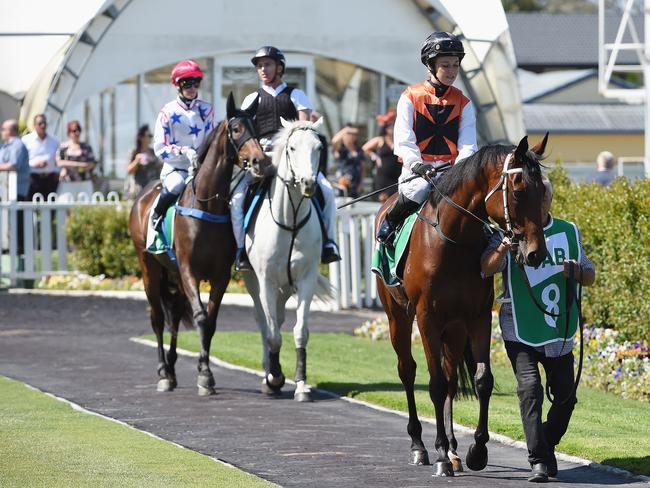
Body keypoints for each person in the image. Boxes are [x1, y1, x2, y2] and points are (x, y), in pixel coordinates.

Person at [480, 178, 596, 482]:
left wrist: (578, 272)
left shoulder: (569, 231)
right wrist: (504, 246)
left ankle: (546, 442)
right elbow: (486, 268)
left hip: (559, 329)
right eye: (534, 196)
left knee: (566, 397)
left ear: (550, 200)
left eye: (543, 196)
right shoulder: (509, 232)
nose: (539, 201)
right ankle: (538, 461)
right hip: (519, 328)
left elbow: (590, 273)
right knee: (529, 389)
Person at [234, 45, 340, 271]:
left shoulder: (296, 95)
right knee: (236, 197)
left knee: (327, 191)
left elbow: (304, 127)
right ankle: (241, 248)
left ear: (279, 67)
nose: (263, 69)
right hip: (261, 159)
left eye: (267, 64)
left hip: (293, 159)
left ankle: (328, 243)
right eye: (260, 66)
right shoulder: (251, 98)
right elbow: (245, 132)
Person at [376, 32, 478, 245]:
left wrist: (458, 172)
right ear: (430, 66)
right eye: (445, 65)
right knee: (421, 189)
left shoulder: (464, 102)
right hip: (418, 173)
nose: (452, 71)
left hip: (452, 173)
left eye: (455, 65)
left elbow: (468, 145)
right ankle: (391, 219)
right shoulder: (410, 97)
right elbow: (404, 139)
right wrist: (417, 165)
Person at [151, 60, 214, 230]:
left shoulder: (206, 109)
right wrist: (183, 152)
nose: (192, 87)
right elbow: (160, 147)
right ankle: (157, 216)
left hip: (202, 169)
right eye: (187, 83)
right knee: (176, 185)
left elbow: (210, 139)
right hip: (176, 169)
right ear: (177, 85)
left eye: (196, 82)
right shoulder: (167, 112)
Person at [0, 119, 30, 255]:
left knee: (17, 223)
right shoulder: (6, 146)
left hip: (16, 190)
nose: (2, 132)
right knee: (7, 222)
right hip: (5, 191)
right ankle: (9, 248)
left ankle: (19, 251)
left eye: (3, 129)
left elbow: (13, 165)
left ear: (11, 131)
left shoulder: (17, 145)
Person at [363, 109, 400, 202]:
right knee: (383, 200)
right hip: (383, 176)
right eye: (390, 127)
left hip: (397, 175)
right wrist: (375, 157)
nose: (393, 129)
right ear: (386, 129)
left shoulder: (399, 139)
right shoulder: (380, 139)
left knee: (395, 200)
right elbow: (365, 148)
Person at [22, 114, 60, 199]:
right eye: (40, 123)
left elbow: (58, 159)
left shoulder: (54, 141)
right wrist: (34, 164)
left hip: (50, 179)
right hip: (33, 178)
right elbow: (22, 160)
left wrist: (57, 172)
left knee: (50, 208)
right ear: (34, 125)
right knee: (30, 206)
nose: (43, 126)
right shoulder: (26, 140)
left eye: (44, 123)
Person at [126, 124, 162, 196]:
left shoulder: (154, 152)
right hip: (140, 190)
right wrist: (136, 161)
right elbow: (129, 171)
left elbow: (160, 168)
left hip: (154, 188)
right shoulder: (134, 153)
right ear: (141, 138)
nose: (150, 138)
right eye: (148, 136)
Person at [331, 124, 365, 198]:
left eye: (353, 135)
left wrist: (361, 184)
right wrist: (346, 130)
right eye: (348, 134)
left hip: (355, 185)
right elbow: (334, 141)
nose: (351, 136)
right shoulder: (341, 149)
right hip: (341, 185)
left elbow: (362, 168)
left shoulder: (359, 150)